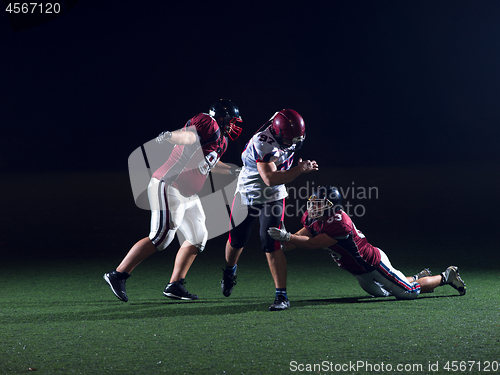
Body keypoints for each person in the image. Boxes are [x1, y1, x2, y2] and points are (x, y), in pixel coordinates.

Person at [104, 99, 243, 302]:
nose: (233, 124)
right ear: (221, 117)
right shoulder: (208, 122)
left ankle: (175, 284)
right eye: (231, 120)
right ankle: (118, 274)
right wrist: (171, 136)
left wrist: (232, 169)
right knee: (161, 237)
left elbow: (211, 163)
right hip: (169, 184)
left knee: (198, 237)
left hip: (188, 193)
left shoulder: (223, 140)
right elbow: (188, 136)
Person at [267, 185, 466, 299]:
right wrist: (282, 242)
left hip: (373, 263)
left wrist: (288, 237)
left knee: (408, 293)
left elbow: (313, 243)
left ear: (333, 208)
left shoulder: (339, 223)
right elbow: (300, 238)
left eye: (320, 204)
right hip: (359, 272)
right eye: (315, 202)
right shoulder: (314, 219)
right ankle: (416, 276)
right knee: (383, 294)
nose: (314, 207)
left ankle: (445, 276)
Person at [220, 109, 319, 311]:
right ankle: (230, 271)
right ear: (278, 132)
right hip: (248, 192)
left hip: (273, 195)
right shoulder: (263, 141)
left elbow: (275, 181)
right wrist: (299, 170)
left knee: (272, 242)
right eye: (289, 138)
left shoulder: (284, 129)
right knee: (237, 239)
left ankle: (281, 295)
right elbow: (269, 178)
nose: (293, 143)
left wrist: (294, 168)